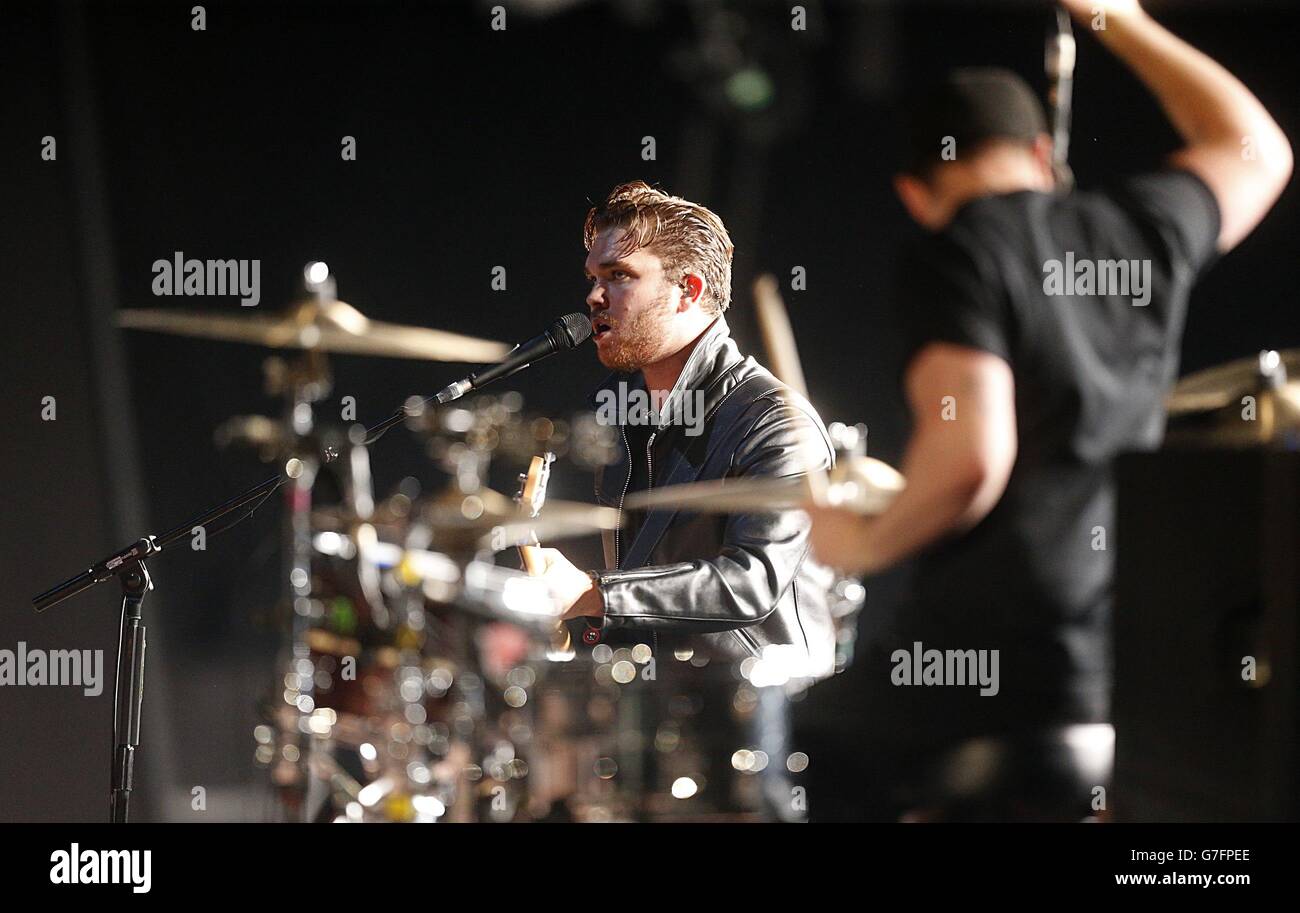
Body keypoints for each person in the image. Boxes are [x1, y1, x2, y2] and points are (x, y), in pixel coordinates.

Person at [800, 0, 1293, 821]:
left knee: (815, 731)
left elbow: (970, 460)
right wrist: (1118, 19)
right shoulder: (1139, 227)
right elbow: (1258, 149)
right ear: (1041, 153)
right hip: (1113, 666)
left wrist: (861, 541)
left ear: (915, 192)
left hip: (987, 658)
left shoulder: (955, 249)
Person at [532, 181, 837, 818]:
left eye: (618, 276)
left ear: (689, 289)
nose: (593, 296)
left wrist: (595, 594)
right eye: (592, 276)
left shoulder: (775, 421)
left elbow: (751, 583)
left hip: (754, 750)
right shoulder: (634, 420)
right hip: (666, 731)